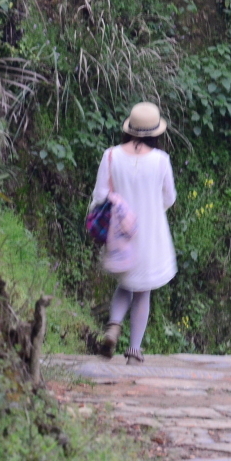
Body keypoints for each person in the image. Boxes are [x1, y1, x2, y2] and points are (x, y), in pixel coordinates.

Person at [91, 102, 177, 365]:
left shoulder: (111, 156)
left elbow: (100, 196)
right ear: (155, 133)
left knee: (125, 284)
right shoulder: (161, 161)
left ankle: (113, 325)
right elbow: (169, 198)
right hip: (151, 235)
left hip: (120, 235)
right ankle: (134, 351)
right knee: (143, 292)